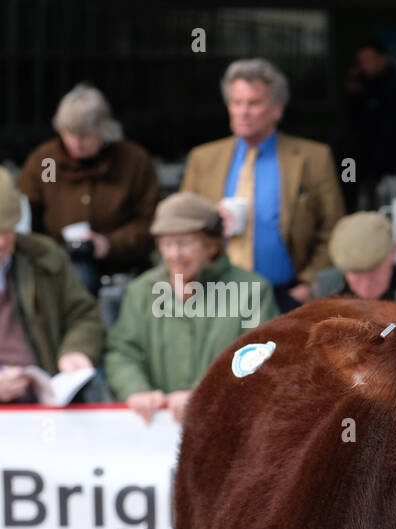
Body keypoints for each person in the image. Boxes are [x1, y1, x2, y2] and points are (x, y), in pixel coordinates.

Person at [180, 58, 345, 313]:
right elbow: (182, 227)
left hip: (286, 297)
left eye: (254, 103)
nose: (243, 111)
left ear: (277, 109)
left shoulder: (313, 157)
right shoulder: (203, 159)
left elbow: (333, 228)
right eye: (236, 102)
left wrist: (308, 285)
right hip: (217, 296)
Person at [104, 192, 277, 424]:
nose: (175, 254)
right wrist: (136, 389)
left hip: (229, 428)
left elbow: (261, 359)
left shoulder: (252, 290)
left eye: (185, 243)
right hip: (154, 431)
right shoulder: (142, 290)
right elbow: (122, 351)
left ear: (211, 246)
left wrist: (204, 394)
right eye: (167, 244)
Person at [17, 84, 159, 291]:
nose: (76, 142)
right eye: (69, 133)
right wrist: (47, 252)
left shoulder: (133, 161)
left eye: (85, 135)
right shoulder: (47, 161)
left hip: (122, 274)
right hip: (57, 273)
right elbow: (26, 214)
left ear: (104, 131)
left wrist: (108, 244)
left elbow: (150, 222)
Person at [0, 168, 103, 405]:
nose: (2, 242)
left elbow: (83, 314)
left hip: (46, 408)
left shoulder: (44, 255)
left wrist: (76, 349)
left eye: (7, 231)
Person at [313, 212, 396, 311]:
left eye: (374, 272)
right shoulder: (322, 290)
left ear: (394, 252)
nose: (365, 285)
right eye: (356, 274)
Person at [344, 39, 396, 211]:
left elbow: (393, 125)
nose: (365, 65)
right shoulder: (358, 84)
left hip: (389, 160)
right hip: (361, 160)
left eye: (369, 59)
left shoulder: (393, 84)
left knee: (388, 203)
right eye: (361, 60)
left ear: (382, 59)